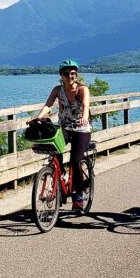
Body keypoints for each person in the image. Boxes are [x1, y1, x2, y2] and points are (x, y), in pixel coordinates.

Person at [30, 59, 92, 211]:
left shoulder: (82, 89)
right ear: (61, 75)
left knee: (76, 160)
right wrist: (39, 117)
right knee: (53, 149)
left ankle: (78, 197)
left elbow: (85, 104)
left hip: (81, 129)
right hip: (64, 127)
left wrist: (84, 116)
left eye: (72, 73)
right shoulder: (58, 90)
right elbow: (48, 105)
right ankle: (58, 173)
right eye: (66, 73)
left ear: (76, 74)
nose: (70, 76)